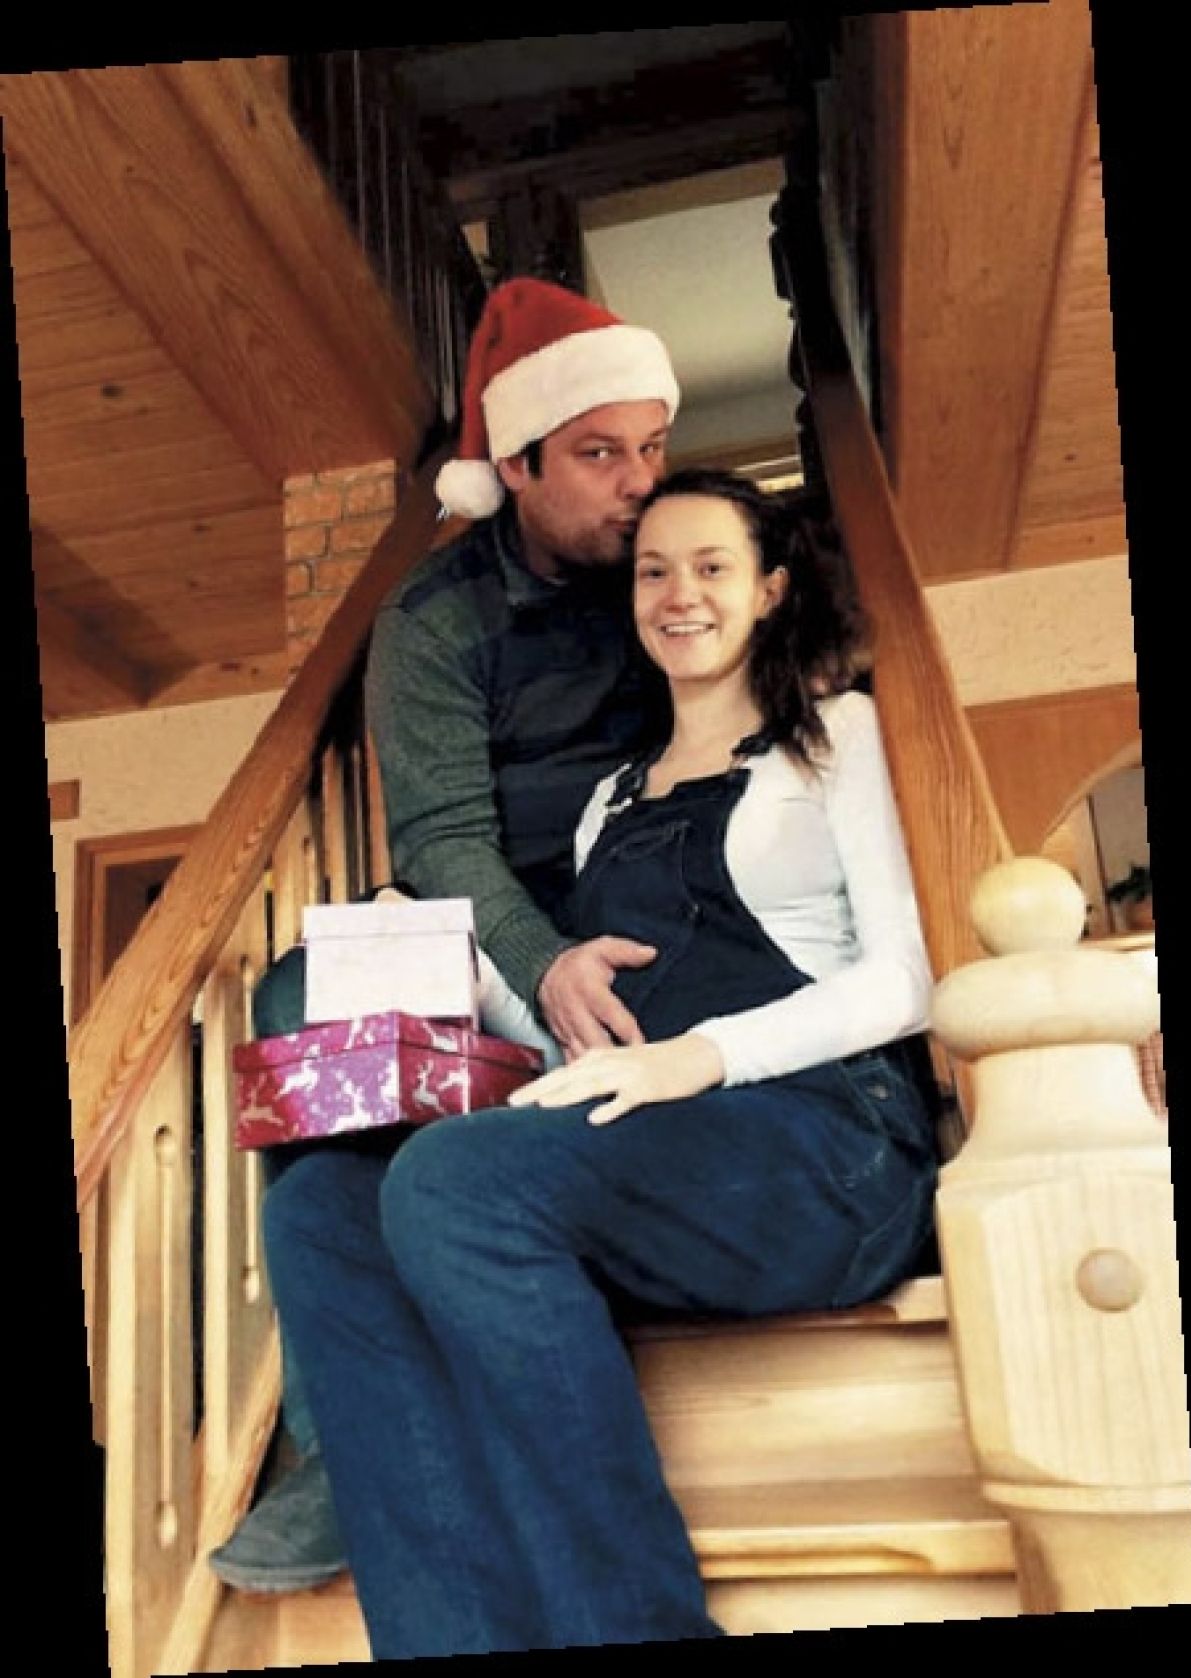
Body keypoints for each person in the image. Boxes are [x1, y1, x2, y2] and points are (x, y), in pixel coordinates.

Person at [258, 467, 942, 1657]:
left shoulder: (836, 737)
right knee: (321, 1207)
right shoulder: (607, 804)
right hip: (654, 1145)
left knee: (455, 1181)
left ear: (772, 589)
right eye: (654, 570)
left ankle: (635, 1623)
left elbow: (905, 980)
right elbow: (575, 1034)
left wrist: (700, 1058)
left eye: (713, 566)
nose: (680, 594)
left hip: (827, 1142)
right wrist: (437, 956)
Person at [209, 276, 685, 1591]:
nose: (640, 483)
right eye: (600, 455)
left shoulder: (679, 565)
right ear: (514, 464)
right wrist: (538, 962)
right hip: (488, 917)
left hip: (646, 896)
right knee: (295, 1001)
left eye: (653, 446)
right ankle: (336, 1446)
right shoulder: (432, 619)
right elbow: (445, 840)